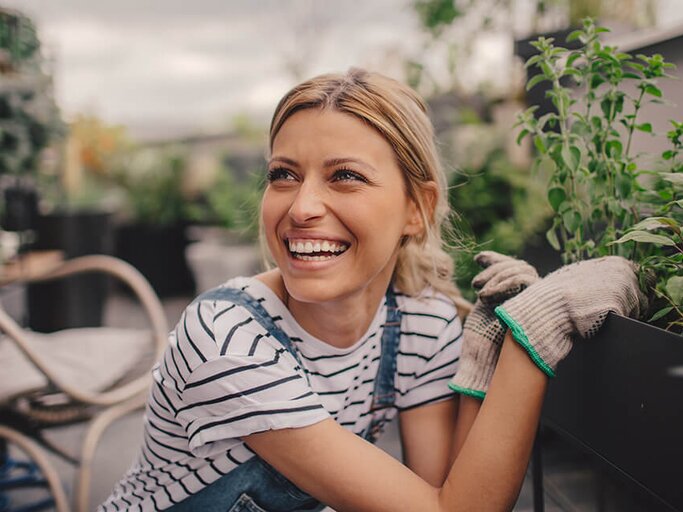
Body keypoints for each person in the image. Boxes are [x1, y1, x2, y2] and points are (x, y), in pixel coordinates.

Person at [100, 68, 648, 512]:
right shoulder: (225, 342)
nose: (301, 206)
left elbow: (451, 495)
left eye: (345, 176)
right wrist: (537, 334)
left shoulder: (417, 322)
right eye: (283, 174)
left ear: (418, 209)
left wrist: (486, 352)